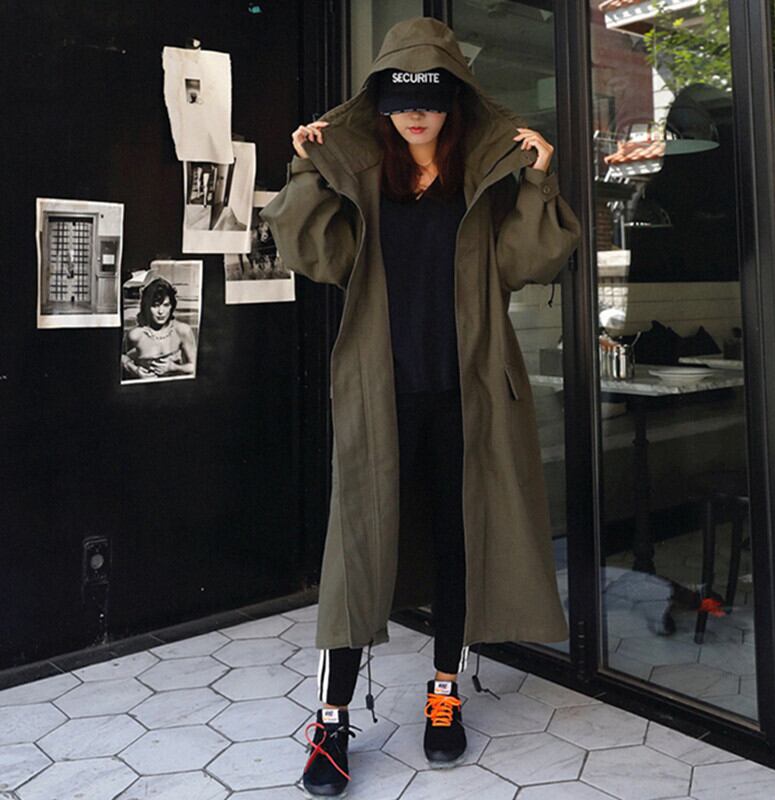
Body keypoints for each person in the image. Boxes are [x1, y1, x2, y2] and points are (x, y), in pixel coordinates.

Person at [261, 17, 581, 798]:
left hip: (468, 395)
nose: (416, 113)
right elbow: (314, 254)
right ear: (380, 103)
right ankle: (331, 722)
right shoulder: (365, 179)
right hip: (381, 394)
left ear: (454, 101)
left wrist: (537, 180)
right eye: (401, 99)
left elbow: (527, 261)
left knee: (458, 545)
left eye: (431, 99)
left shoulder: (480, 179)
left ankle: (445, 694)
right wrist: (307, 171)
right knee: (356, 555)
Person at [121, 273, 197, 380]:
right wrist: (135, 370)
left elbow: (195, 366)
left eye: (166, 305)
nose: (161, 311)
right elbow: (118, 356)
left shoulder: (182, 330)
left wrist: (174, 367)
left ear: (172, 306)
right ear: (147, 307)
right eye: (155, 306)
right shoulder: (136, 334)